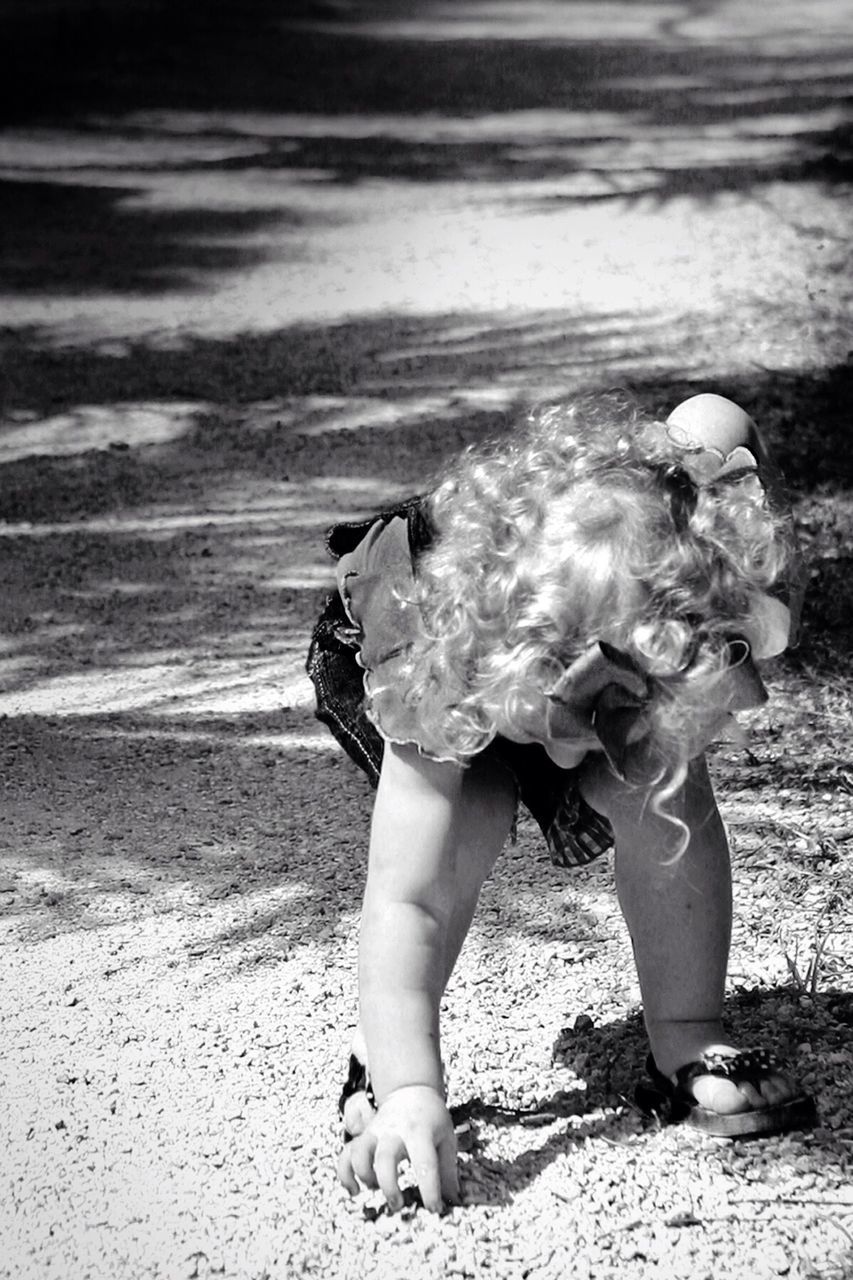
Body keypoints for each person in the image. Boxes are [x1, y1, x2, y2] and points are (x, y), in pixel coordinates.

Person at [306, 392, 817, 1215]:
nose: (589, 758)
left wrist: (747, 587)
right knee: (458, 828)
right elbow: (407, 903)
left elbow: (715, 418)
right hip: (435, 654)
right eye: (587, 730)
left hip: (552, 636)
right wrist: (409, 1089)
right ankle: (387, 1056)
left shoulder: (695, 564)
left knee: (660, 788)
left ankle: (683, 1031)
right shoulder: (440, 679)